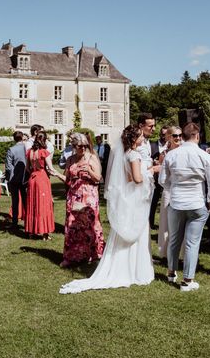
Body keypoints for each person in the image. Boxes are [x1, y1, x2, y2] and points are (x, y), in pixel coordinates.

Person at [59, 124, 156, 294]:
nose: (143, 138)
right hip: (134, 200)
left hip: (128, 198)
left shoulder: (125, 154)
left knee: (124, 232)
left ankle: (125, 266)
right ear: (134, 139)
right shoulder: (133, 155)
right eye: (140, 136)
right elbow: (138, 179)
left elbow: (127, 178)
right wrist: (152, 171)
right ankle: (136, 270)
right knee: (137, 231)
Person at [159, 122, 210, 292]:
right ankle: (187, 280)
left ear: (182, 137)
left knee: (174, 239)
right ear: (197, 136)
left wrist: (174, 187)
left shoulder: (171, 155)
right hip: (196, 202)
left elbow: (163, 180)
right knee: (193, 242)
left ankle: (171, 272)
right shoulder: (204, 156)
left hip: (176, 202)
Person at [51, 132, 105, 268]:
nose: (82, 149)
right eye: (79, 146)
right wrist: (56, 174)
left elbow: (98, 178)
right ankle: (71, 256)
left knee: (89, 225)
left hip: (89, 196)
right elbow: (68, 179)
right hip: (74, 195)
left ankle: (93, 254)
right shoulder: (70, 160)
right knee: (72, 226)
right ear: (74, 146)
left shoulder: (91, 158)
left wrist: (89, 171)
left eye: (84, 146)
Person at [156, 125, 182, 259]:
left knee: (180, 222)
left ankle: (180, 253)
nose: (178, 138)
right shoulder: (164, 154)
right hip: (168, 190)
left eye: (179, 135)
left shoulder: (185, 151)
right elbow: (162, 175)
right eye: (175, 135)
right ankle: (165, 252)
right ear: (169, 137)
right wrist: (169, 186)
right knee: (166, 222)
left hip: (182, 190)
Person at [24, 131, 55, 240]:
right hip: (42, 178)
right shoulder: (44, 152)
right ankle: (44, 233)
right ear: (44, 140)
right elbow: (50, 168)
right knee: (43, 204)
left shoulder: (29, 152)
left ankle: (31, 231)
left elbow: (27, 168)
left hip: (32, 178)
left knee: (33, 204)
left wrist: (33, 171)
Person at [4, 131, 27, 229]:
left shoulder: (11, 149)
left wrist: (11, 174)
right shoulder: (27, 148)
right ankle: (28, 221)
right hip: (25, 177)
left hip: (14, 178)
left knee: (15, 201)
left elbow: (8, 166)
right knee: (26, 201)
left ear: (14, 139)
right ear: (22, 137)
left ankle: (14, 222)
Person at [149, 125, 169, 229]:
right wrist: (154, 161)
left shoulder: (172, 145)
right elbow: (147, 158)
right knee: (154, 200)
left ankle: (166, 224)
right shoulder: (152, 144)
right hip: (156, 177)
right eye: (161, 133)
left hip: (168, 178)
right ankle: (150, 222)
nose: (163, 136)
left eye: (165, 134)